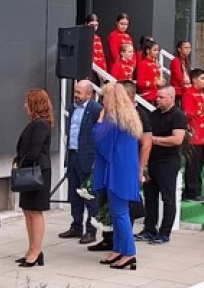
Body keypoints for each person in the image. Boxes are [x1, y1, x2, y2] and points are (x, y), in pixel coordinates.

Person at [88, 80, 153, 253]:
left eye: (105, 97)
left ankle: (129, 253)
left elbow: (98, 138)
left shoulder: (114, 119)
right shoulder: (130, 117)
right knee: (119, 213)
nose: (102, 101)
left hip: (118, 171)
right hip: (126, 169)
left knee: (120, 214)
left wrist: (100, 120)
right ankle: (118, 250)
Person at [139, 86, 187, 245]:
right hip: (152, 161)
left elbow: (177, 139)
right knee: (150, 197)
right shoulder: (153, 115)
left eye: (161, 97)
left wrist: (154, 140)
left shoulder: (178, 115)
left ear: (171, 98)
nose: (157, 100)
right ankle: (149, 229)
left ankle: (164, 232)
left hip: (168, 162)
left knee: (168, 198)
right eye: (157, 97)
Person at [59, 81, 103, 245]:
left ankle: (91, 230)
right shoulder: (72, 108)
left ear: (89, 94)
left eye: (79, 92)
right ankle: (76, 225)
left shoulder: (96, 110)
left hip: (88, 158)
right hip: (73, 154)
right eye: (75, 91)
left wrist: (96, 160)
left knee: (89, 195)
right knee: (75, 193)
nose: (75, 95)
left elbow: (99, 136)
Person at [14, 89, 53, 267]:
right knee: (28, 210)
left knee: (36, 211)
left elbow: (34, 149)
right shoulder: (35, 123)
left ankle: (36, 250)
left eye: (27, 102)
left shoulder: (41, 124)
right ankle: (31, 249)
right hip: (29, 169)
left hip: (38, 171)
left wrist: (21, 162)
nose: (24, 106)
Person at [182, 69, 204, 202]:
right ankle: (191, 191)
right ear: (194, 80)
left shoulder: (203, 95)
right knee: (192, 165)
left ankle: (197, 190)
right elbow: (188, 113)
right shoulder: (188, 94)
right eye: (202, 78)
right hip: (195, 135)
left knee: (199, 165)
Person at [86, 13, 107, 84]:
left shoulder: (98, 38)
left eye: (96, 25)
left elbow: (102, 55)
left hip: (98, 70)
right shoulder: (83, 37)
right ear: (86, 24)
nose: (94, 27)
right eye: (92, 25)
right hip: (88, 68)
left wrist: (104, 70)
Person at [169, 40, 192, 105]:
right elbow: (179, 77)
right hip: (178, 91)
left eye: (189, 48)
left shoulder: (186, 61)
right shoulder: (175, 61)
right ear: (179, 49)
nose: (188, 50)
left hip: (184, 90)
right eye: (186, 48)